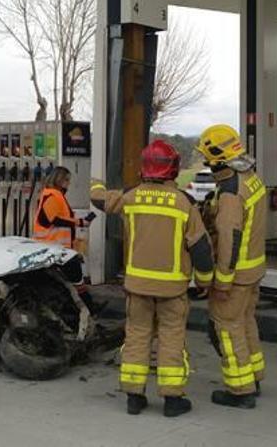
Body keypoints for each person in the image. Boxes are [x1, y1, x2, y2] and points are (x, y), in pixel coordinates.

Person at [90, 140, 214, 418]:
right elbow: (201, 248)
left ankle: (134, 397)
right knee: (171, 339)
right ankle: (172, 401)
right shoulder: (184, 203)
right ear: (173, 169)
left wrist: (95, 179)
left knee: (136, 336)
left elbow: (99, 198)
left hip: (137, 287)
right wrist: (205, 281)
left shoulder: (130, 197)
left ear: (145, 168)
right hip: (172, 289)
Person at [195, 124, 268, 409]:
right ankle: (254, 376)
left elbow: (229, 238)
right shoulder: (251, 178)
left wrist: (222, 280)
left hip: (235, 275)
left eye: (208, 158)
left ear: (217, 156)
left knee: (228, 329)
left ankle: (240, 390)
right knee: (247, 323)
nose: (207, 164)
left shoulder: (230, 191)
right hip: (254, 270)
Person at [33, 166, 89, 249]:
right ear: (59, 180)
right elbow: (55, 219)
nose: (69, 183)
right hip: (51, 247)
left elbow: (63, 217)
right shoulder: (52, 196)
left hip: (55, 247)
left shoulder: (56, 195)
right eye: (66, 180)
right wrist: (79, 222)